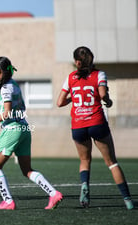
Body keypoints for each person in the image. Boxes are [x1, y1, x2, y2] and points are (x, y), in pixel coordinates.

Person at [0, 56, 63, 210]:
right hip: (24, 128)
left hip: (12, 130)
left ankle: (8, 201)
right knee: (27, 170)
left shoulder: (6, 88)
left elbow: (8, 113)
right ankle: (53, 193)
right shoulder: (15, 85)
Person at [57, 46, 134, 210]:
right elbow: (102, 95)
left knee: (84, 160)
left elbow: (59, 102)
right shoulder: (99, 74)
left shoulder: (70, 77)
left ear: (77, 62)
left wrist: (74, 98)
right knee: (111, 162)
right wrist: (109, 100)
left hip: (78, 124)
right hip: (96, 123)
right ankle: (127, 200)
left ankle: (85, 185)